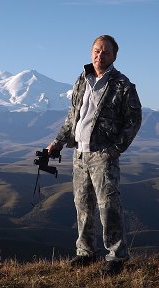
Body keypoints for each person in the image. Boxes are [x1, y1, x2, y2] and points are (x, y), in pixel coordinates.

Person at [47, 35, 142, 275]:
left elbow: (134, 119)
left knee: (108, 206)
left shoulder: (122, 85)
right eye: (97, 51)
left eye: (106, 52)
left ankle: (116, 257)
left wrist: (115, 149)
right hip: (79, 154)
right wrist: (58, 142)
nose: (100, 56)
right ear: (91, 53)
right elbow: (73, 116)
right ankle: (85, 253)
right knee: (82, 205)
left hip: (103, 155)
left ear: (114, 56)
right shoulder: (82, 79)